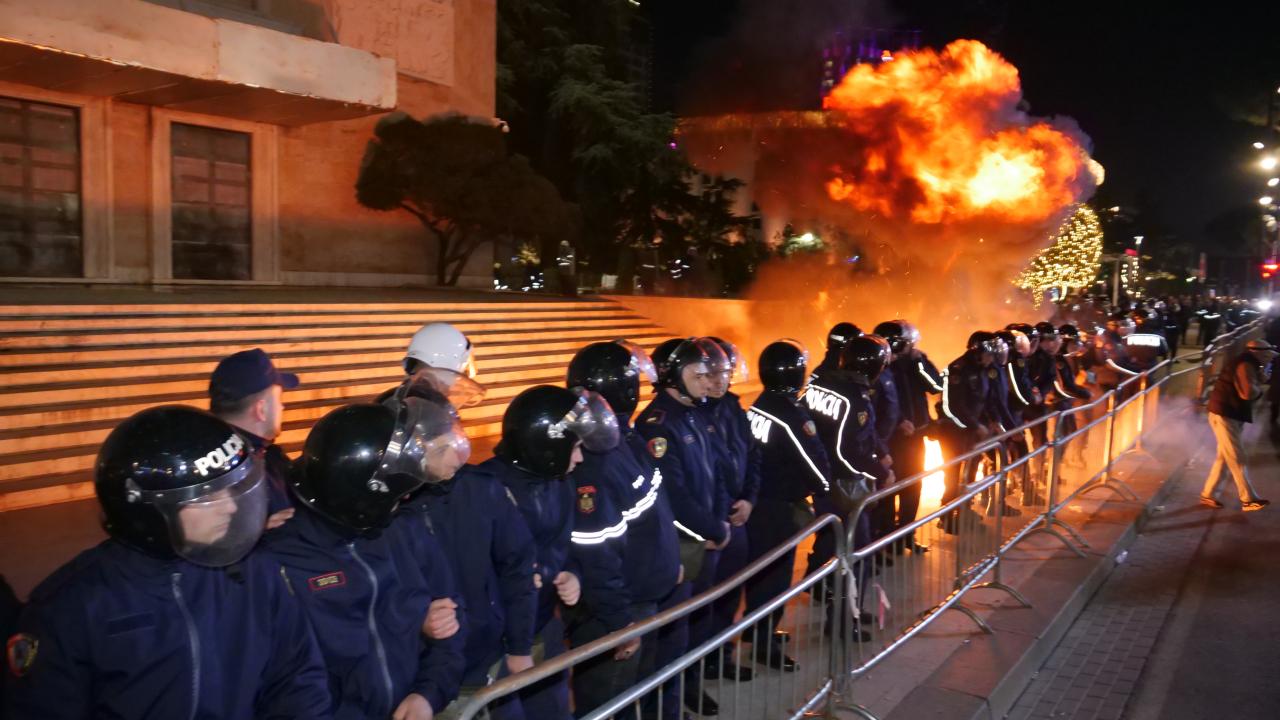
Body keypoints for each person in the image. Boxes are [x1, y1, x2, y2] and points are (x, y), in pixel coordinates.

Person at [3, 406, 332, 719]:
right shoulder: (71, 608)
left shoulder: (256, 572)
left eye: (230, 490)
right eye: (207, 496)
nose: (230, 507)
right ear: (147, 513)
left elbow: (298, 679)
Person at [263, 396, 470, 720]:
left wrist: (428, 693)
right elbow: (283, 683)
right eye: (395, 497)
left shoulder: (403, 531)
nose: (403, 503)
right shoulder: (278, 562)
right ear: (364, 498)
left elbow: (451, 613)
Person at [486, 385, 620, 720]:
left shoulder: (558, 481)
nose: (579, 458)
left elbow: (562, 547)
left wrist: (572, 573)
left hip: (543, 624)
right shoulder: (482, 491)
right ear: (547, 446)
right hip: (496, 641)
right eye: (573, 447)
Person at [565, 341, 681, 719]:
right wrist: (619, 624)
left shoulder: (624, 438)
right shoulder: (594, 461)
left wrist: (669, 561)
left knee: (638, 698)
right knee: (609, 706)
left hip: (643, 601)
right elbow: (597, 554)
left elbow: (651, 514)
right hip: (616, 614)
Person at [636, 338, 731, 715]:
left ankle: (683, 695)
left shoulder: (696, 413)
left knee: (695, 627)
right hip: (682, 547)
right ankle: (666, 708)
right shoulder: (658, 425)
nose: (709, 381)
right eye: (700, 374)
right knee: (672, 639)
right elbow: (671, 497)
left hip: (705, 541)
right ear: (675, 376)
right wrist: (711, 530)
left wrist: (719, 521)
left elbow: (718, 472)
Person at [743, 340, 833, 659]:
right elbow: (814, 465)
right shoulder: (789, 414)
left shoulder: (759, 405)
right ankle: (765, 644)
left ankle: (758, 632)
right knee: (776, 579)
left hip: (758, 503)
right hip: (778, 509)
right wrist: (826, 488)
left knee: (759, 576)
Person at [805, 334, 893, 644]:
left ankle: (849, 609)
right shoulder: (855, 398)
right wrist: (879, 472)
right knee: (856, 556)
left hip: (825, 482)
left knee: (836, 550)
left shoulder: (822, 385)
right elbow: (849, 450)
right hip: (845, 487)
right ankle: (842, 620)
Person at [693, 336, 759, 685]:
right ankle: (694, 671)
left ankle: (722, 656)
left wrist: (748, 498)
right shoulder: (693, 415)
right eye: (713, 373)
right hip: (712, 526)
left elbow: (752, 455)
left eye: (725, 373)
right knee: (702, 605)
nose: (720, 380)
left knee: (730, 595)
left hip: (737, 520)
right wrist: (718, 518)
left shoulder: (733, 408)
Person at [208, 347, 300, 530]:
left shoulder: (266, 455)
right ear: (261, 410)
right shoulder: (240, 472)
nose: (282, 407)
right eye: (279, 399)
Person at [876, 320, 943, 553]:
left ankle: (906, 535)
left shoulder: (915, 363)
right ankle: (885, 540)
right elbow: (881, 405)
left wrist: (921, 361)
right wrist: (897, 423)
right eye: (910, 344)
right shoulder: (880, 366)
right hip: (891, 440)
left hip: (916, 438)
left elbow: (937, 386)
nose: (913, 346)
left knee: (912, 488)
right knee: (887, 491)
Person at [1201, 340, 1279, 511]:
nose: (1268, 360)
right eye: (1267, 356)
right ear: (1258, 353)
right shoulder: (1245, 365)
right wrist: (1260, 385)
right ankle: (1248, 499)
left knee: (1225, 457)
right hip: (1225, 415)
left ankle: (1209, 494)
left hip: (1229, 414)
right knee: (1237, 457)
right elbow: (1247, 393)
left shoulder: (1247, 362)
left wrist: (1258, 379)